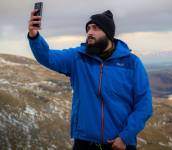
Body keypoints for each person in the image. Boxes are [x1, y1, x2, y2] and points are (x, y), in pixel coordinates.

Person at [27, 9, 152, 150]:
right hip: (84, 143)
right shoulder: (78, 57)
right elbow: (47, 57)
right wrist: (34, 36)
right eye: (88, 28)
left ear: (108, 34)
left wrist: (125, 137)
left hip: (119, 145)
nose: (90, 32)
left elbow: (144, 105)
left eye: (96, 28)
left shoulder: (131, 63)